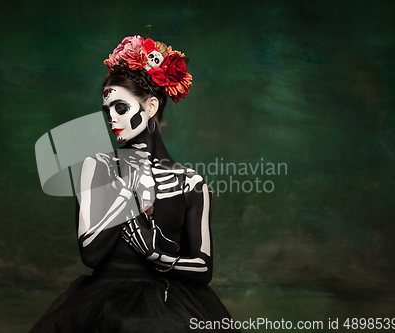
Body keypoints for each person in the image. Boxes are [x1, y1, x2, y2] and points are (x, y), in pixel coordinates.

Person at [29, 35, 241, 333]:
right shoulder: (99, 167)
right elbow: (90, 254)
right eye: (108, 111)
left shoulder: (190, 182)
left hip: (171, 301)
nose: (111, 118)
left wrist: (157, 255)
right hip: (104, 302)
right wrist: (126, 195)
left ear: (151, 106)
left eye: (120, 107)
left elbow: (203, 268)